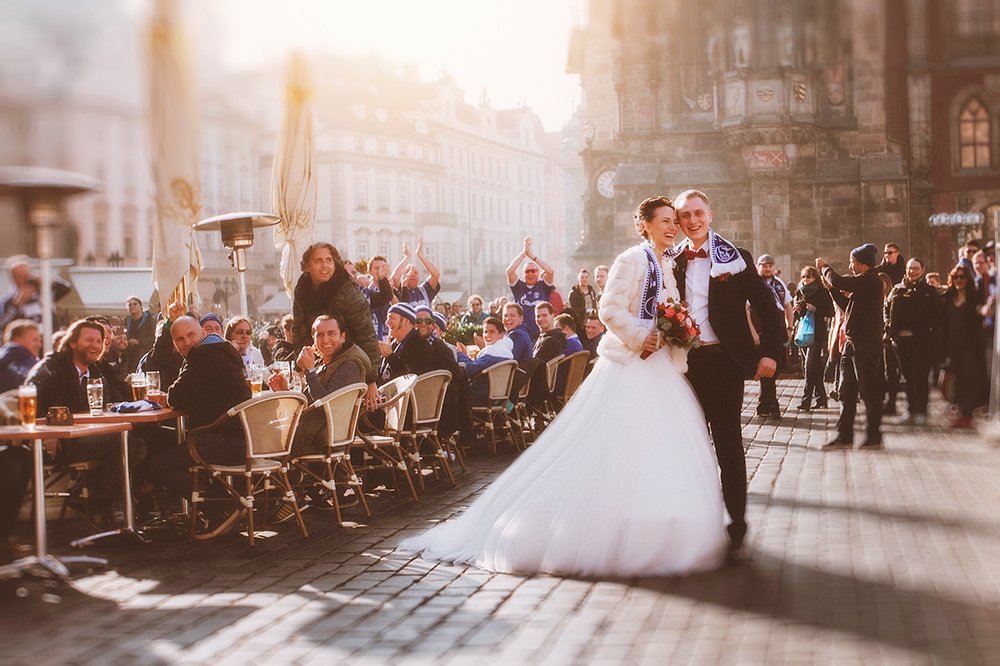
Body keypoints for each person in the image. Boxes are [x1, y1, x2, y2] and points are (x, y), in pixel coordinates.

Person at [400, 194, 728, 577]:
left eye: (675, 221)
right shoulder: (632, 259)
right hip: (630, 364)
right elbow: (608, 309)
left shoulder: (666, 263)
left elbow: (669, 309)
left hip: (659, 367)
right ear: (646, 225)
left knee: (661, 446)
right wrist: (642, 335)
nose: (673, 227)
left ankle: (661, 526)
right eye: (666, 221)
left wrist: (676, 331)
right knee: (615, 447)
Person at [673, 189, 783, 555]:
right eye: (685, 215)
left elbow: (767, 305)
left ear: (710, 213)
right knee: (687, 443)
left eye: (698, 213)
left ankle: (736, 522)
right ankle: (695, 519)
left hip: (723, 363)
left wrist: (769, 352)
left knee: (728, 445)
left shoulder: (733, 257)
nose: (692, 221)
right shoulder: (670, 260)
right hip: (683, 364)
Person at [147, 316, 252, 499]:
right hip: (243, 439)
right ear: (174, 343)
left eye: (190, 335)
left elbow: (177, 397)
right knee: (161, 441)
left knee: (157, 466)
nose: (186, 342)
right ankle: (224, 503)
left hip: (224, 442)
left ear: (203, 333)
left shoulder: (204, 354)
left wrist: (167, 396)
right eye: (180, 339)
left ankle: (219, 505)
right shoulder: (220, 350)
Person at [292, 242, 382, 410]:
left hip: (349, 361)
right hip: (322, 356)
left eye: (329, 260)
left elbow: (367, 334)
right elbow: (298, 328)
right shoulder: (302, 288)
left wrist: (371, 381)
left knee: (332, 407)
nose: (325, 265)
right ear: (307, 266)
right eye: (318, 261)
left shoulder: (348, 292)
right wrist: (301, 365)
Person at [817, 244, 886, 449]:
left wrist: (824, 268)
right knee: (846, 391)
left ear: (863, 264)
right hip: (851, 343)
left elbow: (838, 280)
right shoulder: (863, 284)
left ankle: (874, 436)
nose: (850, 265)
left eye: (853, 261)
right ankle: (844, 435)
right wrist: (831, 291)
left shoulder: (870, 280)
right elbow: (847, 307)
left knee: (868, 392)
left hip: (866, 345)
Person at [885, 258, 943, 426]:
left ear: (922, 270)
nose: (913, 271)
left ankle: (921, 411)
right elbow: (886, 309)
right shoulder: (897, 289)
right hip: (900, 342)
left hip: (921, 341)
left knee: (920, 376)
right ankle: (910, 410)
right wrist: (889, 326)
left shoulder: (928, 291)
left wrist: (928, 330)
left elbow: (938, 314)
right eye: (910, 268)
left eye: (916, 268)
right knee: (908, 377)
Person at [943, 266, 989, 428]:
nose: (959, 280)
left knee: (970, 378)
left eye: (962, 277)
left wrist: (986, 310)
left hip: (971, 345)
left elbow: (981, 312)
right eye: (956, 277)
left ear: (968, 279)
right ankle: (961, 412)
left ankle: (967, 414)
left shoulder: (974, 296)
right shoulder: (949, 297)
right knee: (958, 378)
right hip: (953, 346)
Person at [754, 254, 793, 419]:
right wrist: (753, 332)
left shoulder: (779, 284)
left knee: (775, 367)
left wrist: (790, 327)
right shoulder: (754, 283)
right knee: (767, 367)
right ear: (758, 266)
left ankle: (764, 403)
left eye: (770, 265)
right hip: (761, 327)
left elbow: (787, 306)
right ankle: (772, 404)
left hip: (778, 328)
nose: (768, 269)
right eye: (764, 265)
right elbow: (746, 310)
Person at [793, 266, 833, 411]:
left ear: (815, 277)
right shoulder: (799, 291)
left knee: (809, 367)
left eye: (809, 276)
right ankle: (821, 398)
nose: (806, 279)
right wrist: (797, 310)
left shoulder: (822, 291)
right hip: (803, 333)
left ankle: (806, 401)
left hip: (817, 333)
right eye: (804, 276)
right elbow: (798, 316)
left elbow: (830, 311)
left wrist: (814, 308)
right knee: (812, 367)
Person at [0, 255, 71, 330]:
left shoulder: (43, 292)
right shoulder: (8, 300)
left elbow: (66, 288)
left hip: (49, 336)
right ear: (13, 279)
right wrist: (16, 305)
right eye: (20, 277)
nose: (25, 279)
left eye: (27, 275)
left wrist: (47, 280)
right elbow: (2, 324)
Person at [506, 236, 556, 339]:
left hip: (542, 332)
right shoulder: (519, 287)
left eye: (533, 271)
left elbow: (551, 271)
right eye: (527, 271)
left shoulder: (543, 286)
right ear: (523, 274)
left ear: (538, 272)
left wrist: (532, 256)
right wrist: (523, 254)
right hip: (523, 333)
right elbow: (509, 271)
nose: (530, 274)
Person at [391, 238, 441, 309]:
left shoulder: (425, 290)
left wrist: (420, 255)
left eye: (415, 272)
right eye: (408, 272)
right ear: (403, 275)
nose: (412, 275)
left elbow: (436, 275)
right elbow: (394, 278)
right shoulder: (400, 289)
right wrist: (407, 257)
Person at [0, 319, 42, 392]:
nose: (39, 345)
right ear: (17, 339)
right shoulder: (25, 359)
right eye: (35, 340)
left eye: (40, 340)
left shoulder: (4, 356)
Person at [123, 296, 155, 372]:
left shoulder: (150, 320)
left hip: (145, 355)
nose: (132, 306)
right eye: (129, 305)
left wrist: (139, 341)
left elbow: (155, 338)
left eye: (135, 304)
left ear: (141, 306)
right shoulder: (127, 321)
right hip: (131, 357)